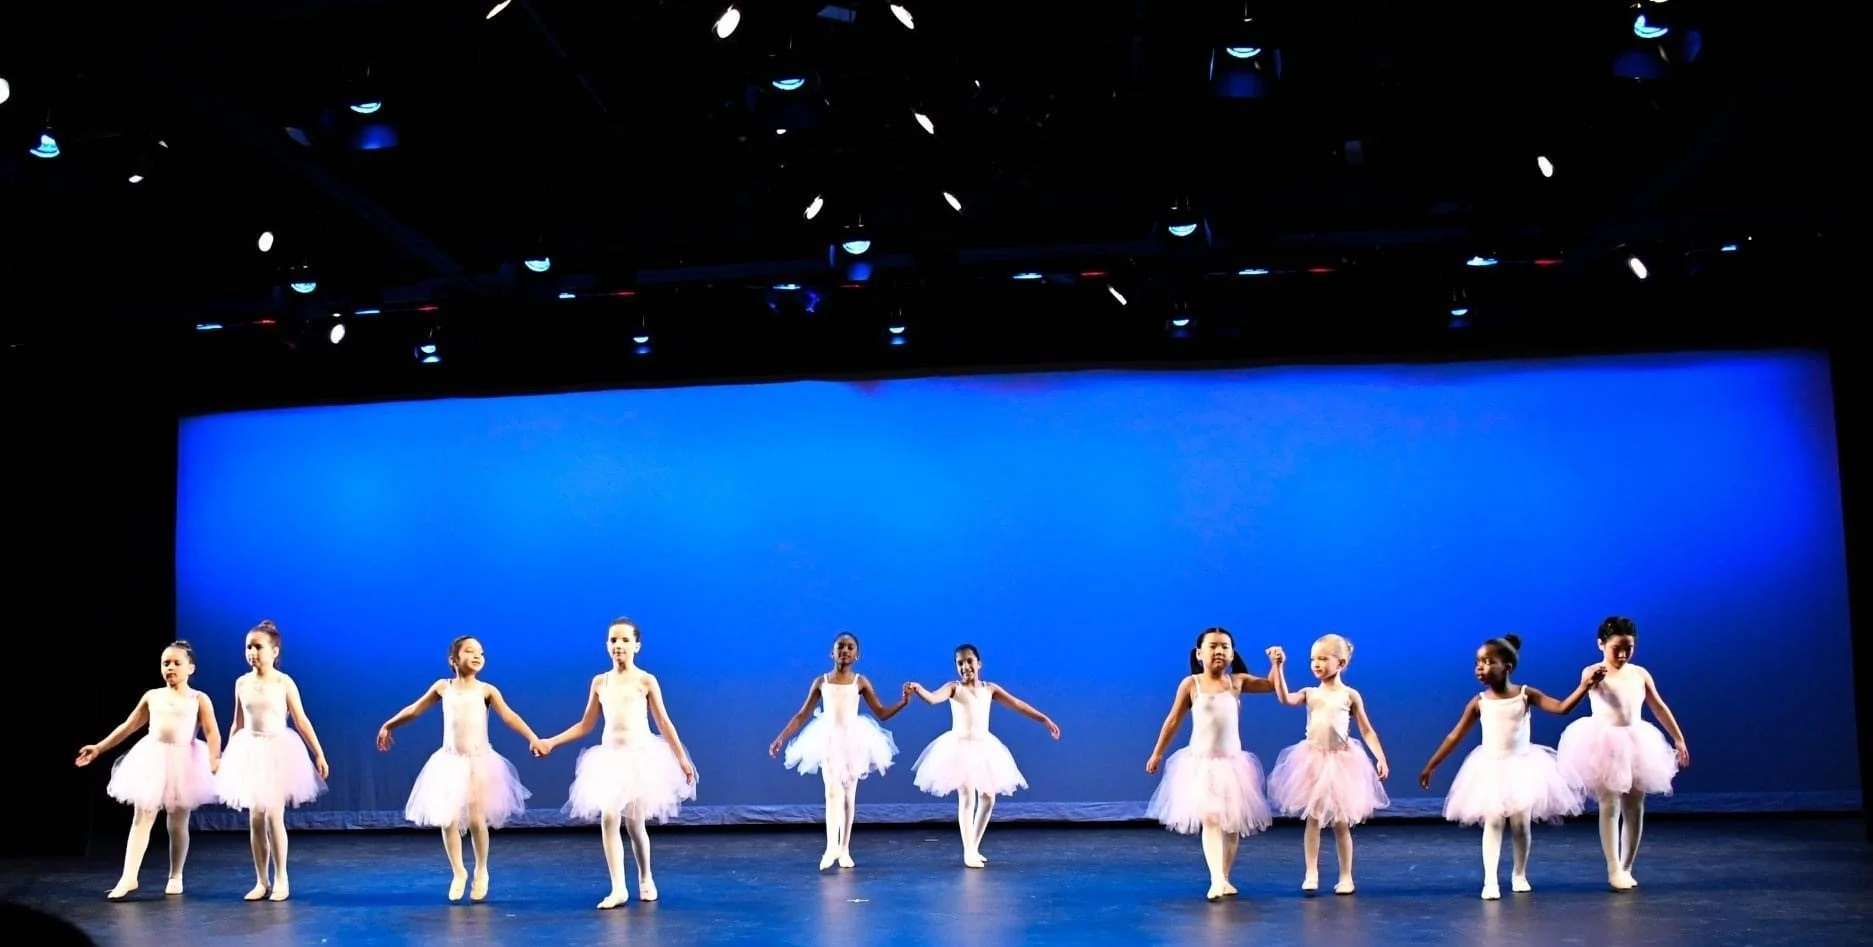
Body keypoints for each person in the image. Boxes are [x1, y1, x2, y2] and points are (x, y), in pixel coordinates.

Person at [1419, 634, 1601, 900]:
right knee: (1493, 822)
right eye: (1478, 662)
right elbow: (1454, 735)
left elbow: (1561, 708)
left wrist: (1584, 686)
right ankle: (1490, 880)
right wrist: (1431, 765)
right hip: (1490, 767)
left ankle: (1519, 873)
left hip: (1522, 767)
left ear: (1507, 667)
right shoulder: (1479, 701)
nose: (1480, 667)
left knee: (1520, 825)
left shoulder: (1526, 695)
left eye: (1488, 661)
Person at [537, 618, 698, 908]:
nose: (618, 646)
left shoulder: (646, 680)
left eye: (624, 640)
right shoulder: (601, 682)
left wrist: (682, 760)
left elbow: (663, 722)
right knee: (609, 817)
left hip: (640, 757)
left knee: (635, 825)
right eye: (613, 640)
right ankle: (618, 887)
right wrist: (551, 741)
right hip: (609, 759)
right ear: (606, 646)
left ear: (637, 645)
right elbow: (585, 725)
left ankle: (645, 876)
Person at [377, 636, 545, 902]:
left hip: (480, 762)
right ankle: (458, 871)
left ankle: (481, 870)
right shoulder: (443, 687)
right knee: (448, 820)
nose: (477, 656)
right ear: (453, 660)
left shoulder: (487, 691)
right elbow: (415, 710)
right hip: (449, 762)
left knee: (478, 820)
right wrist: (390, 724)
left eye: (481, 652)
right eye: (470, 651)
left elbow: (510, 716)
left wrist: (533, 737)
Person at [75, 641, 222, 900]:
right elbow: (129, 726)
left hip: (184, 761)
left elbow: (212, 733)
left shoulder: (198, 699)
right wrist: (99, 748)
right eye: (166, 663)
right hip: (153, 758)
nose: (170, 667)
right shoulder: (152, 696)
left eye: (177, 663)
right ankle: (128, 877)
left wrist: (214, 760)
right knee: (142, 817)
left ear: (191, 667)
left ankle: (176, 875)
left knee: (177, 822)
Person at [1555, 616, 1690, 891]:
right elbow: (1577, 696)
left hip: (1637, 740)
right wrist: (1589, 682)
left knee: (1635, 806)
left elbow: (1658, 706)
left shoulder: (1640, 674)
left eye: (1628, 647)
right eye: (1616, 647)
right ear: (1601, 644)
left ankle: (1627, 866)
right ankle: (1613, 868)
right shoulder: (1592, 672)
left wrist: (1678, 738)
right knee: (1610, 804)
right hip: (1603, 742)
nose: (1623, 654)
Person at [1144, 627, 1277, 901]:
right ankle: (1216, 879)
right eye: (1213, 646)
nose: (1219, 651)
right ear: (1199, 653)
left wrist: (1276, 664)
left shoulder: (1237, 682)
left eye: (1225, 647)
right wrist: (1157, 753)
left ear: (1231, 654)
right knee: (1212, 820)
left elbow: (1271, 685)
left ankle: (1225, 876)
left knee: (1232, 823)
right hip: (1200, 765)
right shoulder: (1191, 684)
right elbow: (1172, 721)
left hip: (1233, 766)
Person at [906, 643, 1061, 867]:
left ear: (979, 663)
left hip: (984, 747)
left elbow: (1017, 704)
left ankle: (974, 846)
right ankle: (968, 851)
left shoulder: (990, 689)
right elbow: (932, 699)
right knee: (967, 797)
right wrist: (918, 689)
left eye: (969, 661)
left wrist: (1044, 719)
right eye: (960, 663)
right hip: (958, 747)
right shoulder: (953, 688)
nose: (965, 666)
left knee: (988, 798)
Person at [769, 632, 910, 870]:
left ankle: (844, 849)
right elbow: (802, 715)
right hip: (828, 739)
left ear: (857, 654)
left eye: (850, 647)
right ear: (831, 653)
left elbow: (882, 713)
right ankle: (830, 847)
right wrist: (781, 738)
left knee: (848, 796)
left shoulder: (860, 682)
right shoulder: (821, 681)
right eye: (840, 647)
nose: (845, 650)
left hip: (854, 740)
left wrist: (903, 702)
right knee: (831, 792)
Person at [1264, 635, 1390, 895]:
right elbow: (1285, 699)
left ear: (1341, 662)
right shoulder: (1310, 693)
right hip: (1312, 760)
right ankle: (1311, 872)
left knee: (1341, 822)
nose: (1316, 664)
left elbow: (1367, 730)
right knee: (1313, 819)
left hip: (1342, 762)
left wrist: (1380, 757)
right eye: (1313, 659)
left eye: (1323, 658)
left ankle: (1346, 876)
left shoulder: (1349, 695)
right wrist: (1278, 667)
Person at [217, 620, 329, 902]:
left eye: (258, 647)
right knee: (255, 818)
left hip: (278, 750)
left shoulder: (283, 682)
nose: (252, 652)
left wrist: (318, 753)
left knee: (274, 815)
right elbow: (237, 723)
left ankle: (281, 877)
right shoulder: (241, 683)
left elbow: (301, 720)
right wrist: (227, 756)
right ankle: (260, 880)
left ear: (274, 651)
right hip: (250, 750)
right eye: (248, 647)